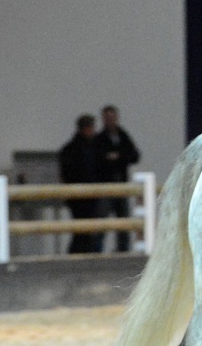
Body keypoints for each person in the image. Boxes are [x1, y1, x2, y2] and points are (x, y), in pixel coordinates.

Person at [95, 104, 141, 252]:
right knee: (101, 224)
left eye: (111, 118)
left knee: (124, 223)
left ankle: (123, 251)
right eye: (106, 118)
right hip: (106, 186)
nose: (109, 121)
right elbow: (99, 159)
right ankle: (97, 251)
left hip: (122, 185)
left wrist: (118, 157)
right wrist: (119, 157)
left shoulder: (123, 136)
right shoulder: (100, 139)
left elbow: (135, 155)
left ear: (116, 118)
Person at [58, 113, 104, 254]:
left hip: (88, 195)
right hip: (80, 196)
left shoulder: (83, 147)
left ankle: (83, 253)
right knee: (82, 229)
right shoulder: (76, 149)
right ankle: (79, 253)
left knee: (86, 229)